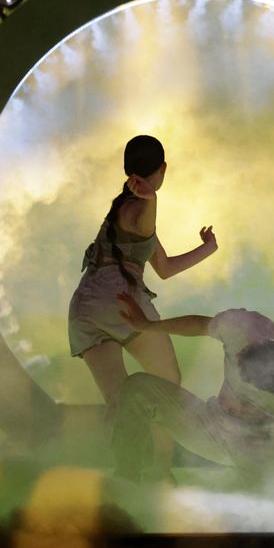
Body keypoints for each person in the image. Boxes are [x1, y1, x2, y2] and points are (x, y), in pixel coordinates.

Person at [68, 135, 217, 470]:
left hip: (84, 307)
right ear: (163, 168)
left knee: (119, 401)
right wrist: (151, 200)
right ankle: (163, 464)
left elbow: (163, 269)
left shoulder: (121, 211)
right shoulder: (139, 209)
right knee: (167, 385)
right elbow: (145, 221)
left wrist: (208, 249)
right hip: (118, 299)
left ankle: (125, 474)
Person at [112, 294, 274, 484]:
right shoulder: (242, 328)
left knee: (257, 505)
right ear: (241, 355)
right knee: (138, 387)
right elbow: (201, 325)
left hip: (259, 445)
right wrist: (147, 325)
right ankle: (127, 477)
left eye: (258, 391)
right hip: (213, 425)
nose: (247, 395)